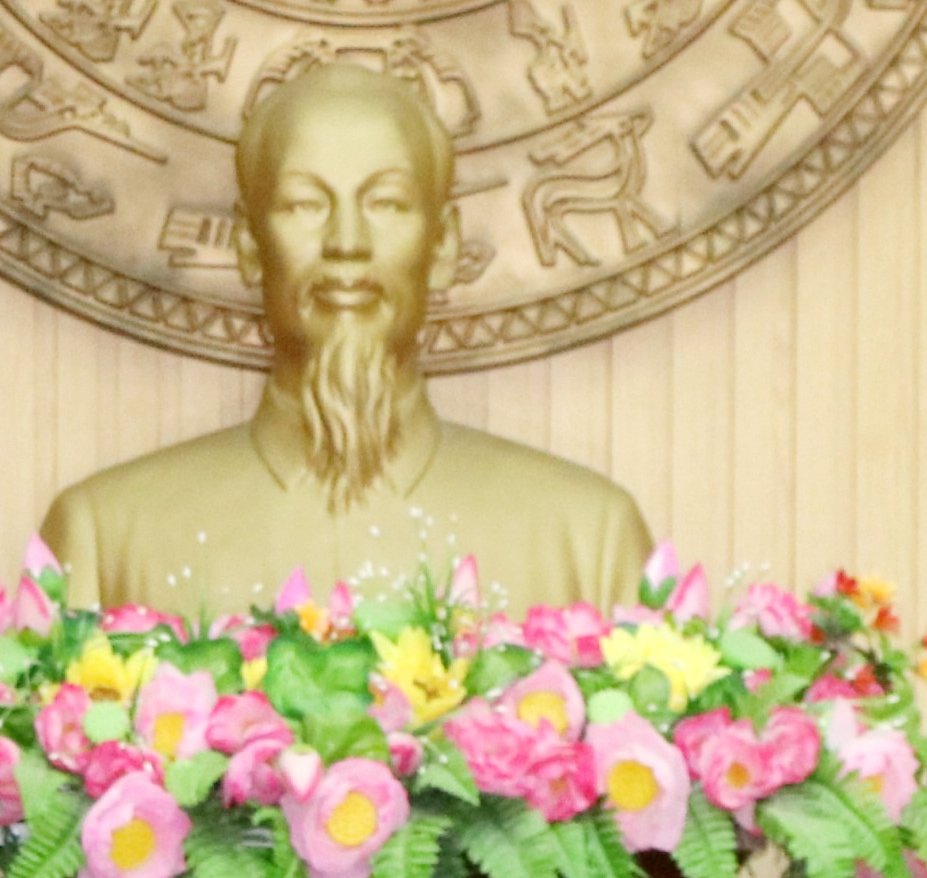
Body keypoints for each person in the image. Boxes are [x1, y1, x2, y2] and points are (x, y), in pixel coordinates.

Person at [38, 59, 651, 615]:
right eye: (306, 205)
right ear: (250, 246)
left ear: (442, 246)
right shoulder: (106, 538)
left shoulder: (590, 543)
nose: (347, 243)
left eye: (387, 203)